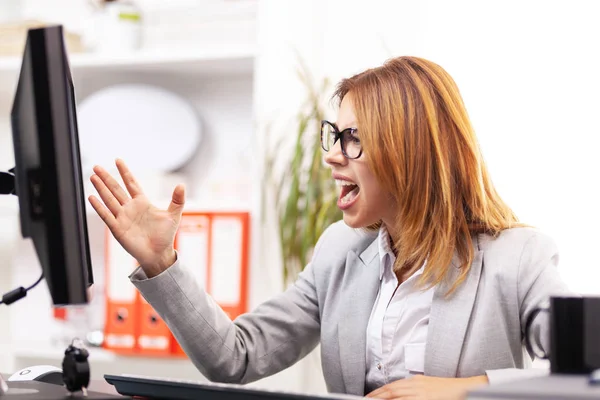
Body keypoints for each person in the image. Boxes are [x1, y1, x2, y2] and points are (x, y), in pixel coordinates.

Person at [88, 56, 570, 400]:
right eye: (334, 135)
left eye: (353, 138)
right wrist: (160, 262)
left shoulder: (517, 257)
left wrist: (468, 390)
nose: (331, 154)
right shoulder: (340, 251)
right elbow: (234, 358)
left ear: (411, 150)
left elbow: (582, 375)